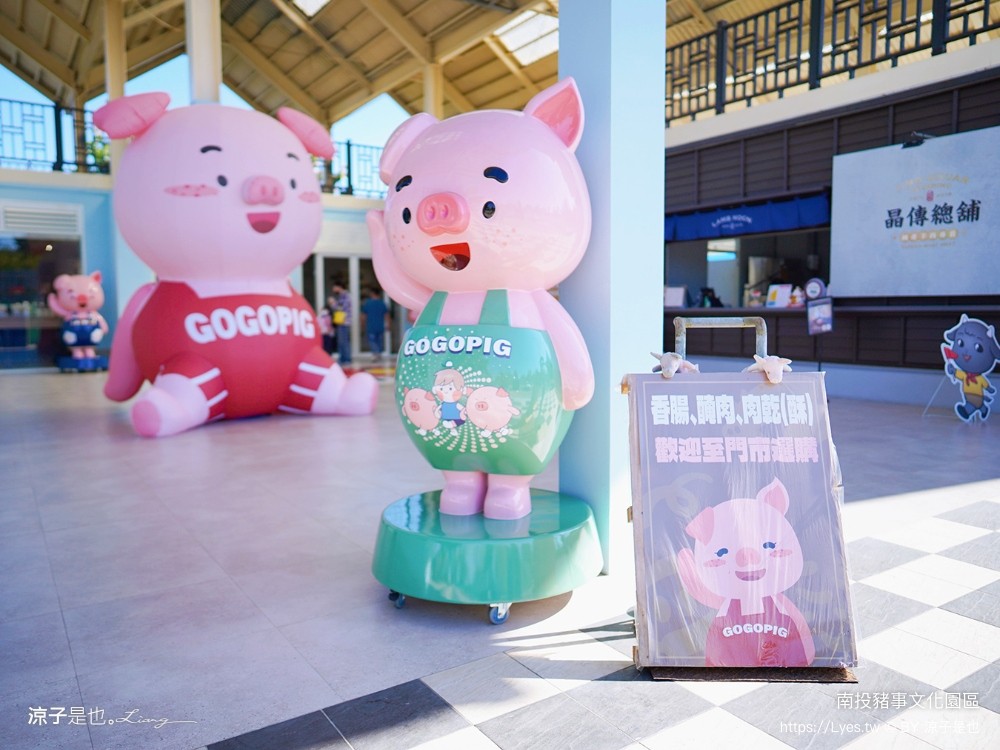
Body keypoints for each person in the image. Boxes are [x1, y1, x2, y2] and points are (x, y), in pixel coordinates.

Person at [360, 287, 390, 361]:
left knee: (372, 341)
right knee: (379, 341)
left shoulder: (368, 303)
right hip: (380, 326)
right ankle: (378, 353)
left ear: (372, 294)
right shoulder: (382, 303)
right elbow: (386, 316)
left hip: (371, 326)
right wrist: (388, 324)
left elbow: (363, 316)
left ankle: (375, 353)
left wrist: (362, 324)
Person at [330, 282, 352, 365]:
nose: (333, 289)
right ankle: (343, 358)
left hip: (344, 322)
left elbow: (341, 307)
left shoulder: (345, 296)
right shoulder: (343, 295)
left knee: (343, 341)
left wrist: (333, 303)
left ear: (339, 287)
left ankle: (346, 359)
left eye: (334, 287)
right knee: (342, 341)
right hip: (342, 322)